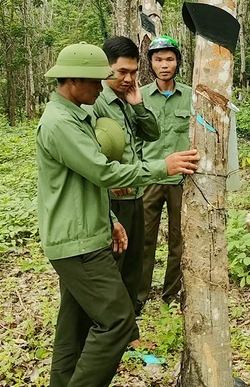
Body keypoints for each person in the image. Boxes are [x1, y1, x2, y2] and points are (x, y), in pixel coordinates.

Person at [37, 42, 198, 387]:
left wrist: (109, 220)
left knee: (75, 325)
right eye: (96, 81)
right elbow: (103, 172)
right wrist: (163, 166)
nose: (102, 86)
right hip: (76, 243)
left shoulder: (73, 115)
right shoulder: (61, 122)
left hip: (86, 231)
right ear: (72, 81)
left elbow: (82, 180)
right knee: (118, 322)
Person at [89, 36, 159, 311]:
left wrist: (137, 104)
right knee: (112, 264)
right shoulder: (94, 103)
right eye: (122, 72)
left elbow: (152, 134)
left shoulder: (127, 99)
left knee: (134, 263)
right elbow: (91, 157)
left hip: (135, 193)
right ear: (107, 69)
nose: (129, 78)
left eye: (133, 72)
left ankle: (130, 327)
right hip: (110, 197)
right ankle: (111, 325)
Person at [137, 35, 192, 311]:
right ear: (150, 64)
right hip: (149, 178)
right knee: (144, 240)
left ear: (178, 62)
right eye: (158, 59)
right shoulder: (139, 96)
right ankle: (139, 296)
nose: (164, 65)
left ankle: (171, 295)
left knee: (178, 240)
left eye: (169, 59)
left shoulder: (192, 96)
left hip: (182, 181)